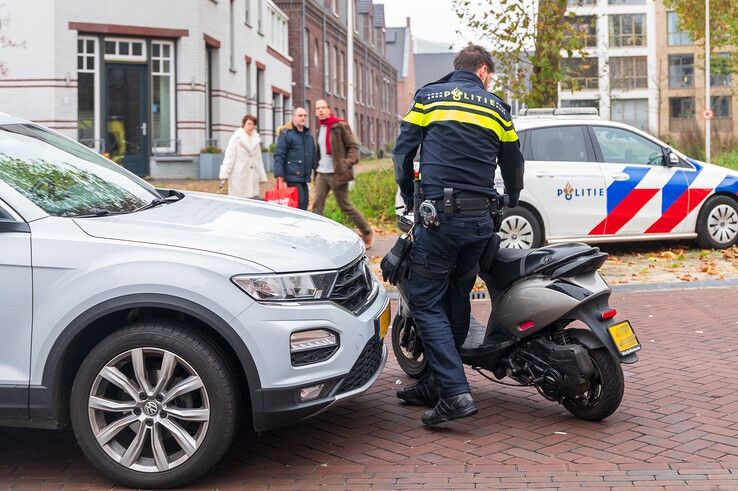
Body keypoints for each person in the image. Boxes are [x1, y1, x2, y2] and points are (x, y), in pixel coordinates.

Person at [392, 45, 524, 425]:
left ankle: (454, 392)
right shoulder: (497, 107)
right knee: (457, 295)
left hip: (441, 222)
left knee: (423, 298)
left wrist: (408, 195)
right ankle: (435, 381)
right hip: (481, 222)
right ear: (483, 71)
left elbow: (403, 153)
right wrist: (511, 197)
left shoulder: (429, 97)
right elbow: (514, 161)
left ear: (461, 68)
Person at [311, 99, 374, 249]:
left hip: (337, 173)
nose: (320, 110)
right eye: (317, 108)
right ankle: (315, 238)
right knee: (317, 206)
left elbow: (353, 147)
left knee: (344, 205)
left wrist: (346, 163)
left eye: (323, 107)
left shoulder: (339, 125)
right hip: (322, 172)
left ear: (328, 109)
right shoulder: (320, 128)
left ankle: (367, 231)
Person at [273, 107, 314, 210]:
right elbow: (279, 155)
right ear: (293, 117)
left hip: (304, 178)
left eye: (305, 115)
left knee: (304, 203)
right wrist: (279, 175)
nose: (303, 118)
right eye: (300, 115)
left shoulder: (309, 137)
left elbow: (312, 156)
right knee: (298, 204)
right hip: (292, 176)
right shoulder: (286, 135)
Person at [219, 115, 267, 199]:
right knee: (239, 200)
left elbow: (259, 159)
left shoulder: (256, 139)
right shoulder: (236, 138)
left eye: (253, 124)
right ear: (243, 124)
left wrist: (262, 176)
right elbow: (229, 157)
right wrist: (224, 174)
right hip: (239, 175)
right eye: (249, 124)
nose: (251, 126)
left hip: (252, 175)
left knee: (252, 201)